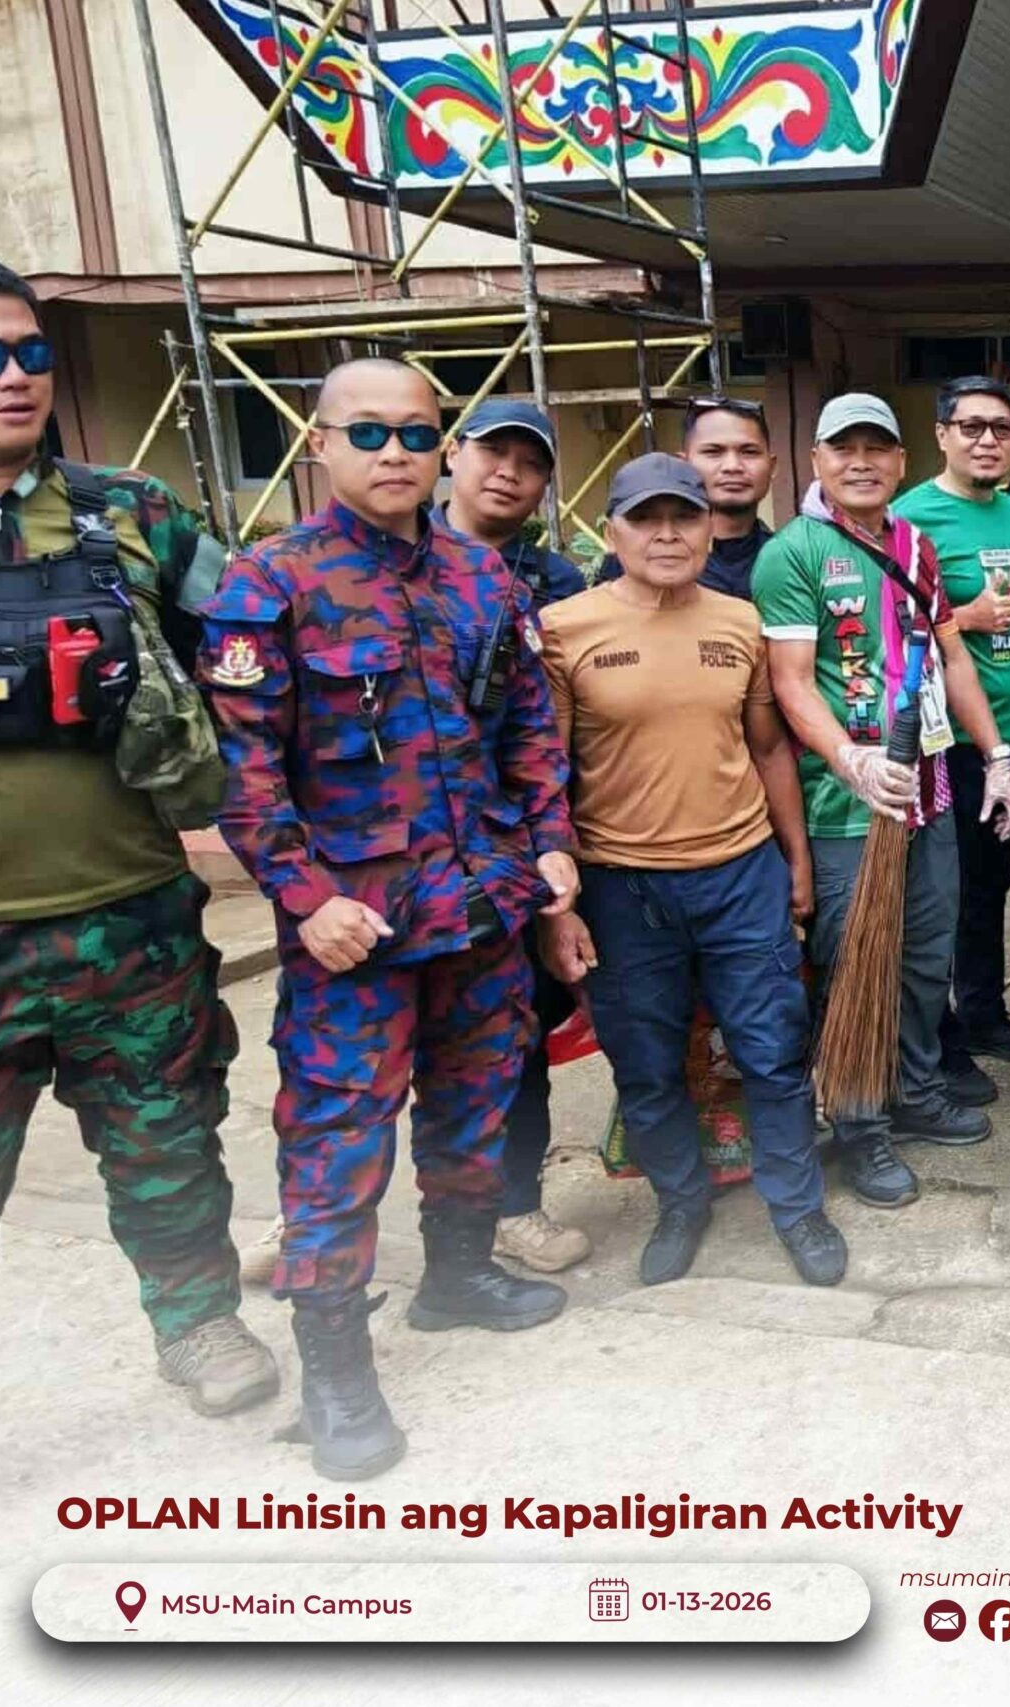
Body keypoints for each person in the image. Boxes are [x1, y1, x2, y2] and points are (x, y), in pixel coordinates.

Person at [200, 357, 576, 1480]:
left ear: (442, 448)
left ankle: (456, 1276)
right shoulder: (270, 583)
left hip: (480, 909)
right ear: (319, 444)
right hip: (354, 933)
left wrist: (548, 841)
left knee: (474, 1107)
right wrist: (304, 899)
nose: (396, 452)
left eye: (416, 432)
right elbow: (243, 776)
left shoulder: (483, 577)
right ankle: (335, 1369)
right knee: (337, 1147)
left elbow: (527, 727)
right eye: (367, 433)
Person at [0, 246, 273, 1508]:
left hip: (129, 922)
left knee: (169, 1143)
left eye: (30, 351)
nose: (16, 375)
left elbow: (250, 638)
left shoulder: (126, 512)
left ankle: (198, 1324)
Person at [535, 455, 844, 1289]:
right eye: (647, 518)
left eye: (685, 517)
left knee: (773, 1049)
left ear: (710, 528)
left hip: (740, 872)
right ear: (614, 531)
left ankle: (797, 1207)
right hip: (621, 884)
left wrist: (796, 860)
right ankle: (680, 1200)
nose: (668, 534)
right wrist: (558, 906)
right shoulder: (565, 628)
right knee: (645, 1060)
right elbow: (544, 773)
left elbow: (769, 748)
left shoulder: (740, 621)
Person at [753, 392, 1010, 1205]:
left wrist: (998, 755)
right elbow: (791, 683)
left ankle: (913, 1089)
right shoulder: (794, 553)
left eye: (877, 448)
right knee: (855, 961)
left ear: (902, 461)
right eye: (844, 448)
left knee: (923, 957)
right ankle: (860, 1124)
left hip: (930, 791)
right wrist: (849, 760)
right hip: (848, 807)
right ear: (816, 460)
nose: (862, 462)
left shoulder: (914, 543)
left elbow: (954, 657)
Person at [434, 398, 593, 1276]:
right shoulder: (377, 562)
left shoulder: (553, 582)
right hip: (383, 854)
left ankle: (514, 1206)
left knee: (515, 1036)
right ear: (453, 455)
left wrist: (553, 847)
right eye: (493, 453)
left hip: (509, 848)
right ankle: (314, 1218)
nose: (509, 474)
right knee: (356, 1051)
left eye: (530, 464)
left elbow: (552, 728)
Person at [896, 377, 1010, 1097]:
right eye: (972, 427)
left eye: (1002, 429)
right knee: (943, 897)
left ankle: (985, 1012)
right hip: (950, 742)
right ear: (942, 435)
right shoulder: (911, 517)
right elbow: (891, 629)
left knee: (992, 885)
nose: (988, 441)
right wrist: (966, 617)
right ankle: (940, 1040)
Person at [682, 397, 778, 599]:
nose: (732, 466)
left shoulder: (794, 559)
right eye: (713, 452)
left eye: (749, 452)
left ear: (772, 467)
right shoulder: (653, 561)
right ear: (683, 465)